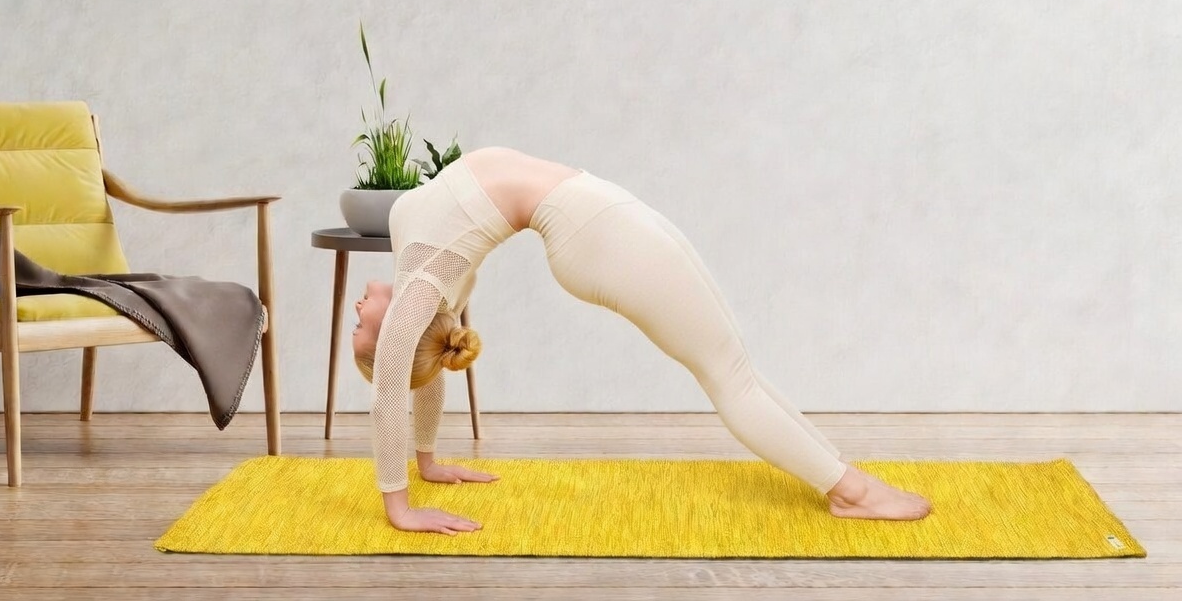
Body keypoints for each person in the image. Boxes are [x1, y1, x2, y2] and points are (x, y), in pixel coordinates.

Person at [352, 146, 932, 535]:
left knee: (737, 366)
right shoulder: (420, 291)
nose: (356, 312)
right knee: (728, 376)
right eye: (361, 331)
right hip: (593, 232)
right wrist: (398, 505)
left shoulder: (426, 286)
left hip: (599, 212)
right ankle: (850, 492)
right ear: (393, 332)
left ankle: (840, 474)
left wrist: (427, 461)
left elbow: (418, 374)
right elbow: (390, 389)